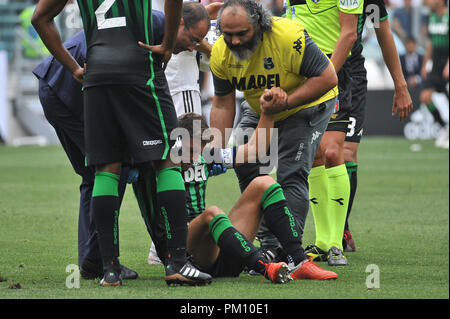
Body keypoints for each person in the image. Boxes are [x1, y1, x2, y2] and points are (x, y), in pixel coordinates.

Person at [31, 0, 212, 287]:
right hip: (138, 70)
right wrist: (166, 45)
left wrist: (75, 68)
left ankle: (109, 270)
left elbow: (39, 18)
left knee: (106, 168)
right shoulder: (153, 23)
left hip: (97, 72)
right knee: (167, 160)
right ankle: (177, 263)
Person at [135, 90, 339, 282]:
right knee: (211, 213)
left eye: (198, 151)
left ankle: (299, 260)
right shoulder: (158, 164)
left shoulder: (204, 157)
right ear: (176, 144)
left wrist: (267, 113)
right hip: (181, 252)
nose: (193, 158)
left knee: (264, 182)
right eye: (189, 150)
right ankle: (264, 267)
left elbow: (254, 150)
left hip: (215, 253)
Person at [208, 0, 338, 265]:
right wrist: (215, 150)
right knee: (245, 161)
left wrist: (287, 102)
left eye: (241, 34)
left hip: (305, 104)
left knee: (291, 172)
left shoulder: (289, 36)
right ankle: (268, 242)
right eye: (227, 33)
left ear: (259, 25)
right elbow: (222, 102)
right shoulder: (220, 52)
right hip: (261, 105)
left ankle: (287, 248)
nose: (233, 41)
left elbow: (328, 78)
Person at [31, 30, 138, 281]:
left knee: (95, 175)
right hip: (66, 89)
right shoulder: (152, 25)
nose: (191, 47)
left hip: (54, 85)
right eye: (192, 40)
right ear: (181, 26)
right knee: (112, 168)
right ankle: (99, 260)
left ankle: (93, 259)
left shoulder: (140, 20)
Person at [285, 0, 363, 266]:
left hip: (334, 69)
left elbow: (349, 33)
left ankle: (335, 243)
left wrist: (327, 73)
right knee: (315, 154)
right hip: (302, 71)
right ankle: (322, 242)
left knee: (332, 151)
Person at [341, 0, 414, 252]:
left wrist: (401, 85)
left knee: (345, 153)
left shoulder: (368, 1)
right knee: (314, 156)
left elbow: (383, 33)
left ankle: (340, 228)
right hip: (310, 72)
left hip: (350, 77)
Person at [420, 0, 449, 149]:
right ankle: (446, 128)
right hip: (436, 66)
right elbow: (430, 43)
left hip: (447, 64)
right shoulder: (431, 17)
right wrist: (425, 64)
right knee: (425, 97)